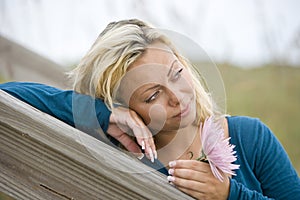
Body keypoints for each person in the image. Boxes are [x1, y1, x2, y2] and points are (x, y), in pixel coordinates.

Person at [1, 19, 299, 199]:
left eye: (176, 74)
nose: (178, 97)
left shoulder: (250, 138)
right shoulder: (119, 152)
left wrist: (230, 196)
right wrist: (103, 114)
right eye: (153, 95)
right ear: (125, 107)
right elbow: (7, 97)